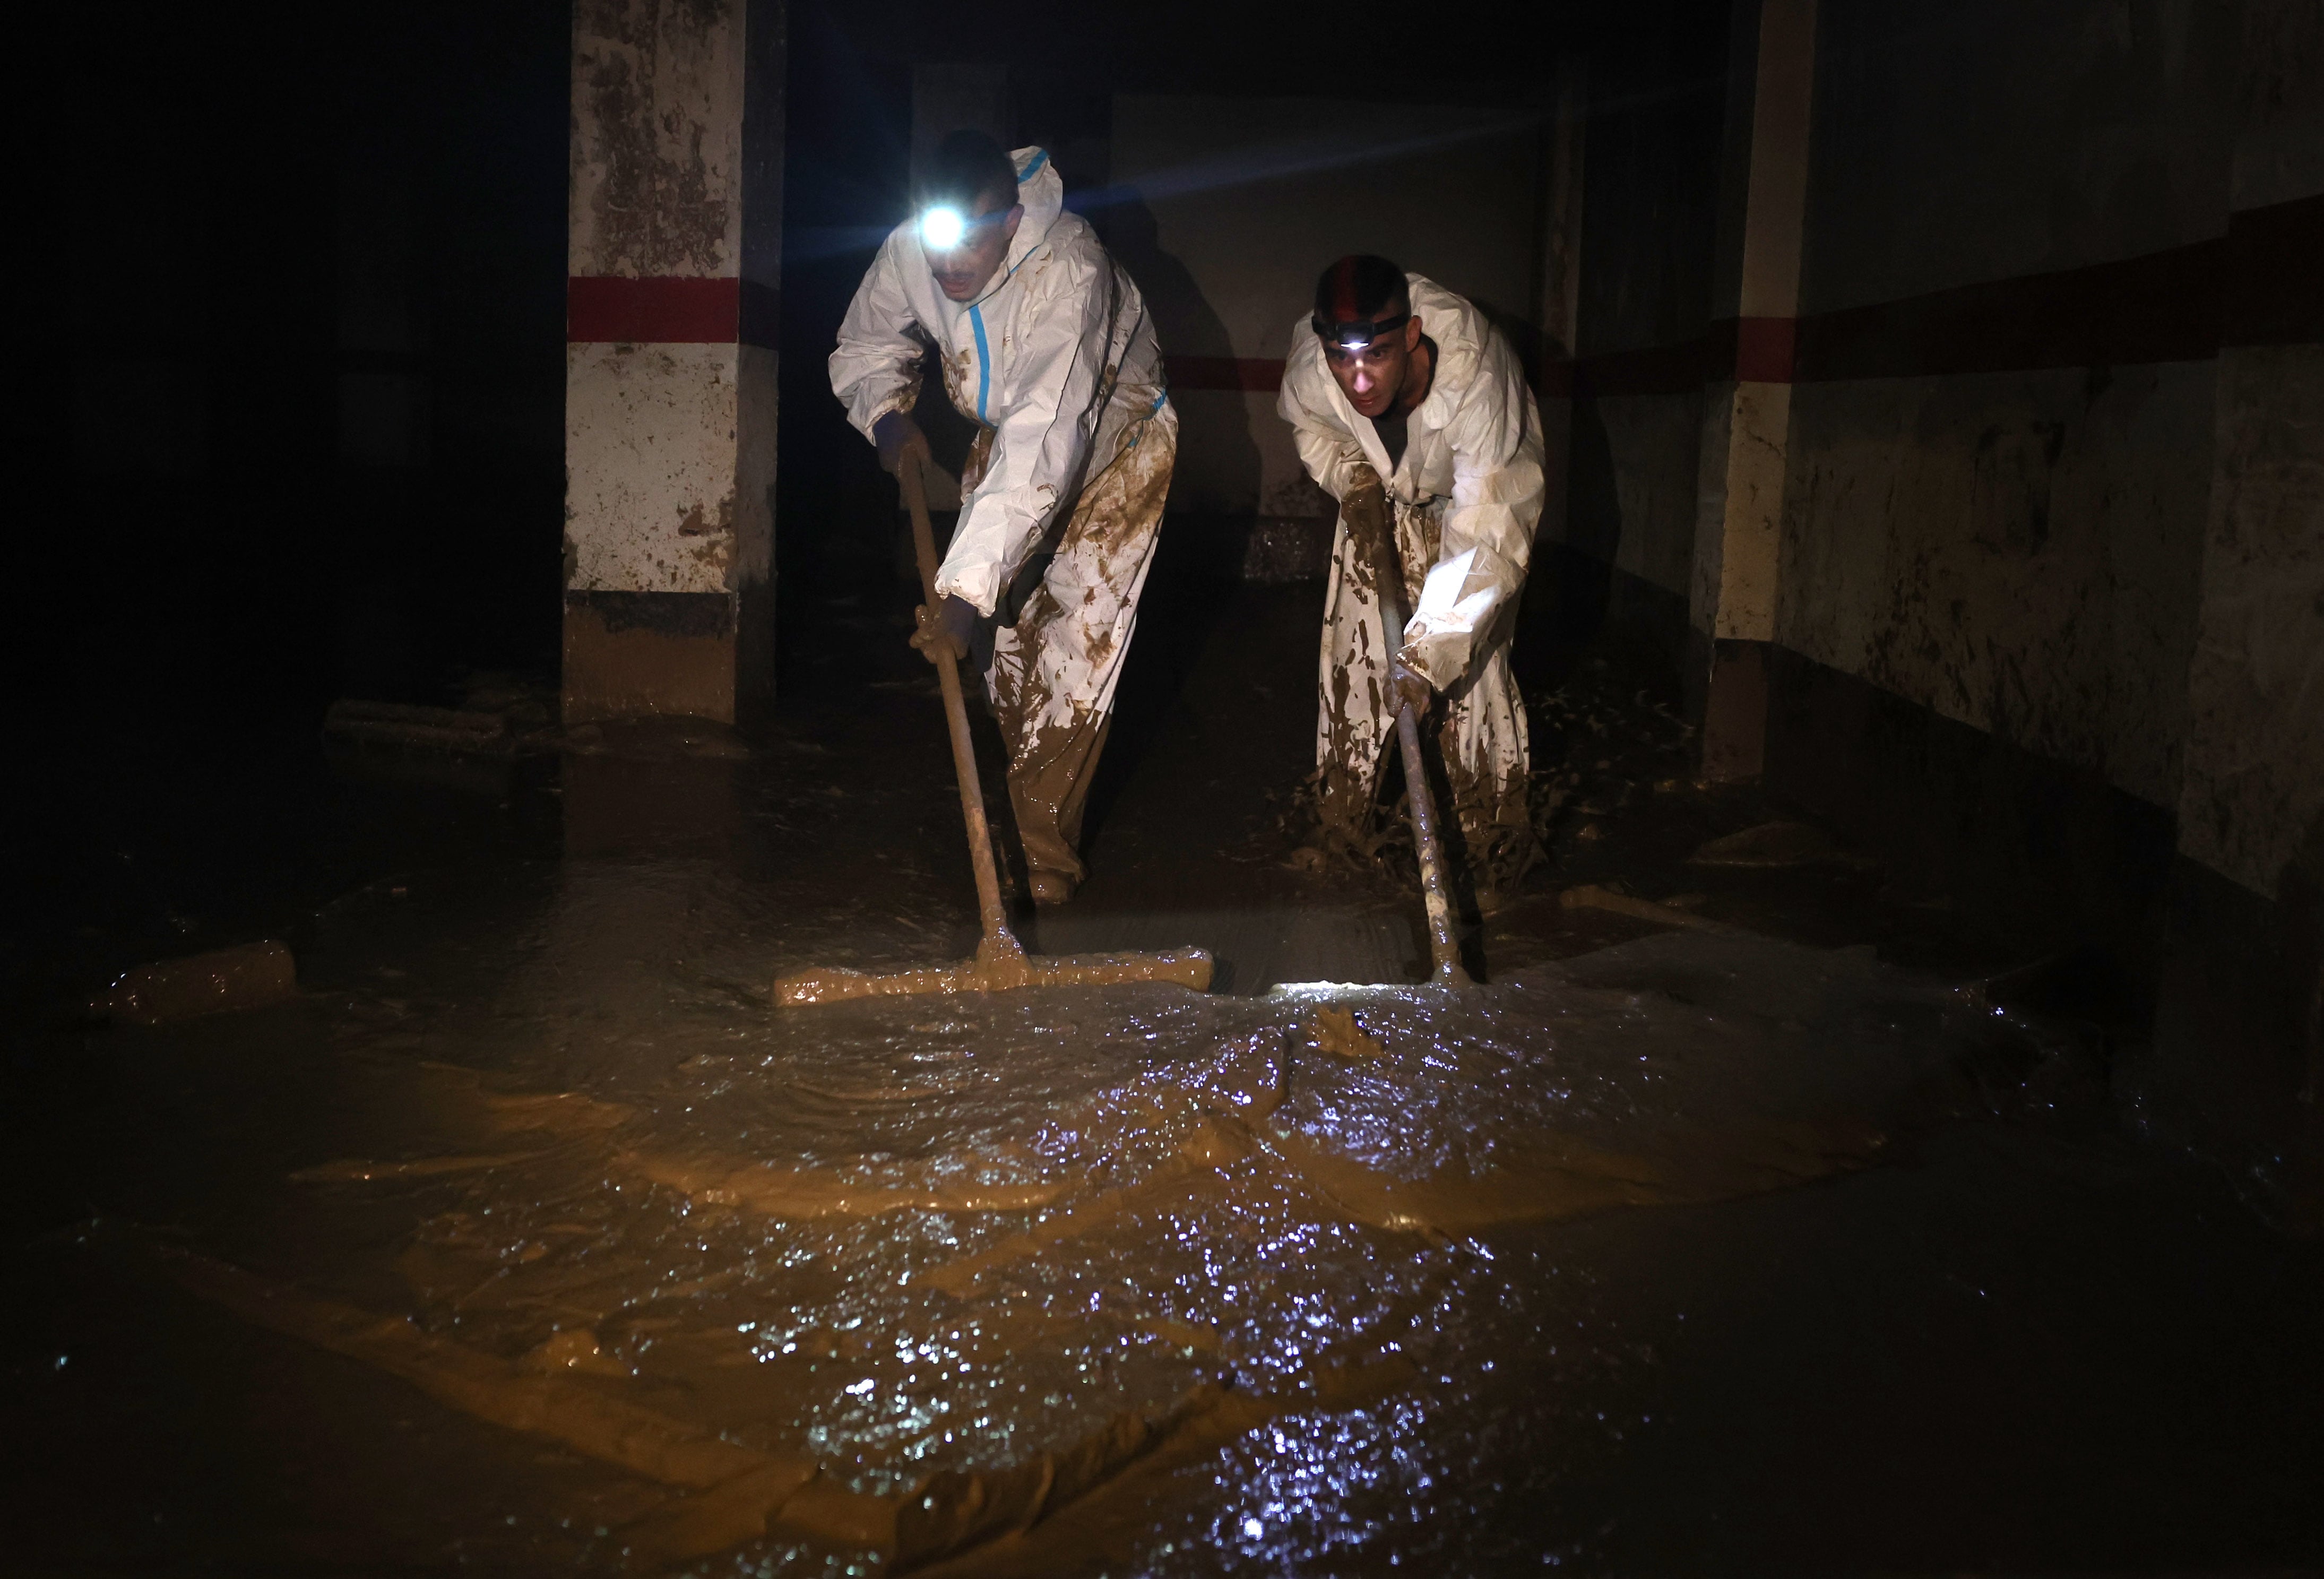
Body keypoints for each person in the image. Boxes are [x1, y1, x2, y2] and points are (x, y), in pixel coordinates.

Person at [830, 131, 1174, 905]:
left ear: (1012, 224)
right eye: (935, 240)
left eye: (971, 241)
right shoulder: (913, 248)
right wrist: (883, 413)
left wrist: (958, 591)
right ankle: (1018, 838)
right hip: (1009, 432)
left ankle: (1045, 867)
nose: (947, 264)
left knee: (1073, 653)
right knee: (1002, 653)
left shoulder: (1069, 269)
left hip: (1112, 435)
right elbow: (865, 342)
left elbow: (1045, 439)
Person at [1276, 254, 1545, 905]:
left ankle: (1491, 845)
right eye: (1343, 361)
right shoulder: (1315, 366)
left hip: (1474, 502)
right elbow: (1308, 425)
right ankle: (1344, 824)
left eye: (1379, 356)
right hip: (1381, 496)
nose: (1359, 380)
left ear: (1414, 336)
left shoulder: (1474, 373)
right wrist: (1350, 478)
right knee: (1355, 655)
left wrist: (1426, 659)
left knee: (1468, 665)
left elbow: (1485, 535)